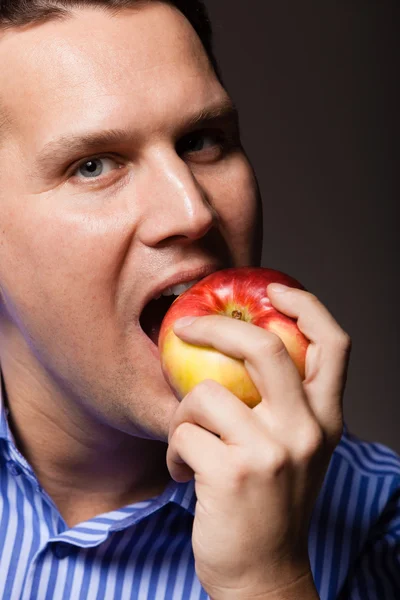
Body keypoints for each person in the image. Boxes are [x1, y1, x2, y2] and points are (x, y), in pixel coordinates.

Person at [0, 1, 398, 598]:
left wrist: (267, 580)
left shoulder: (380, 527)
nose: (193, 212)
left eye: (201, 140)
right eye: (92, 166)